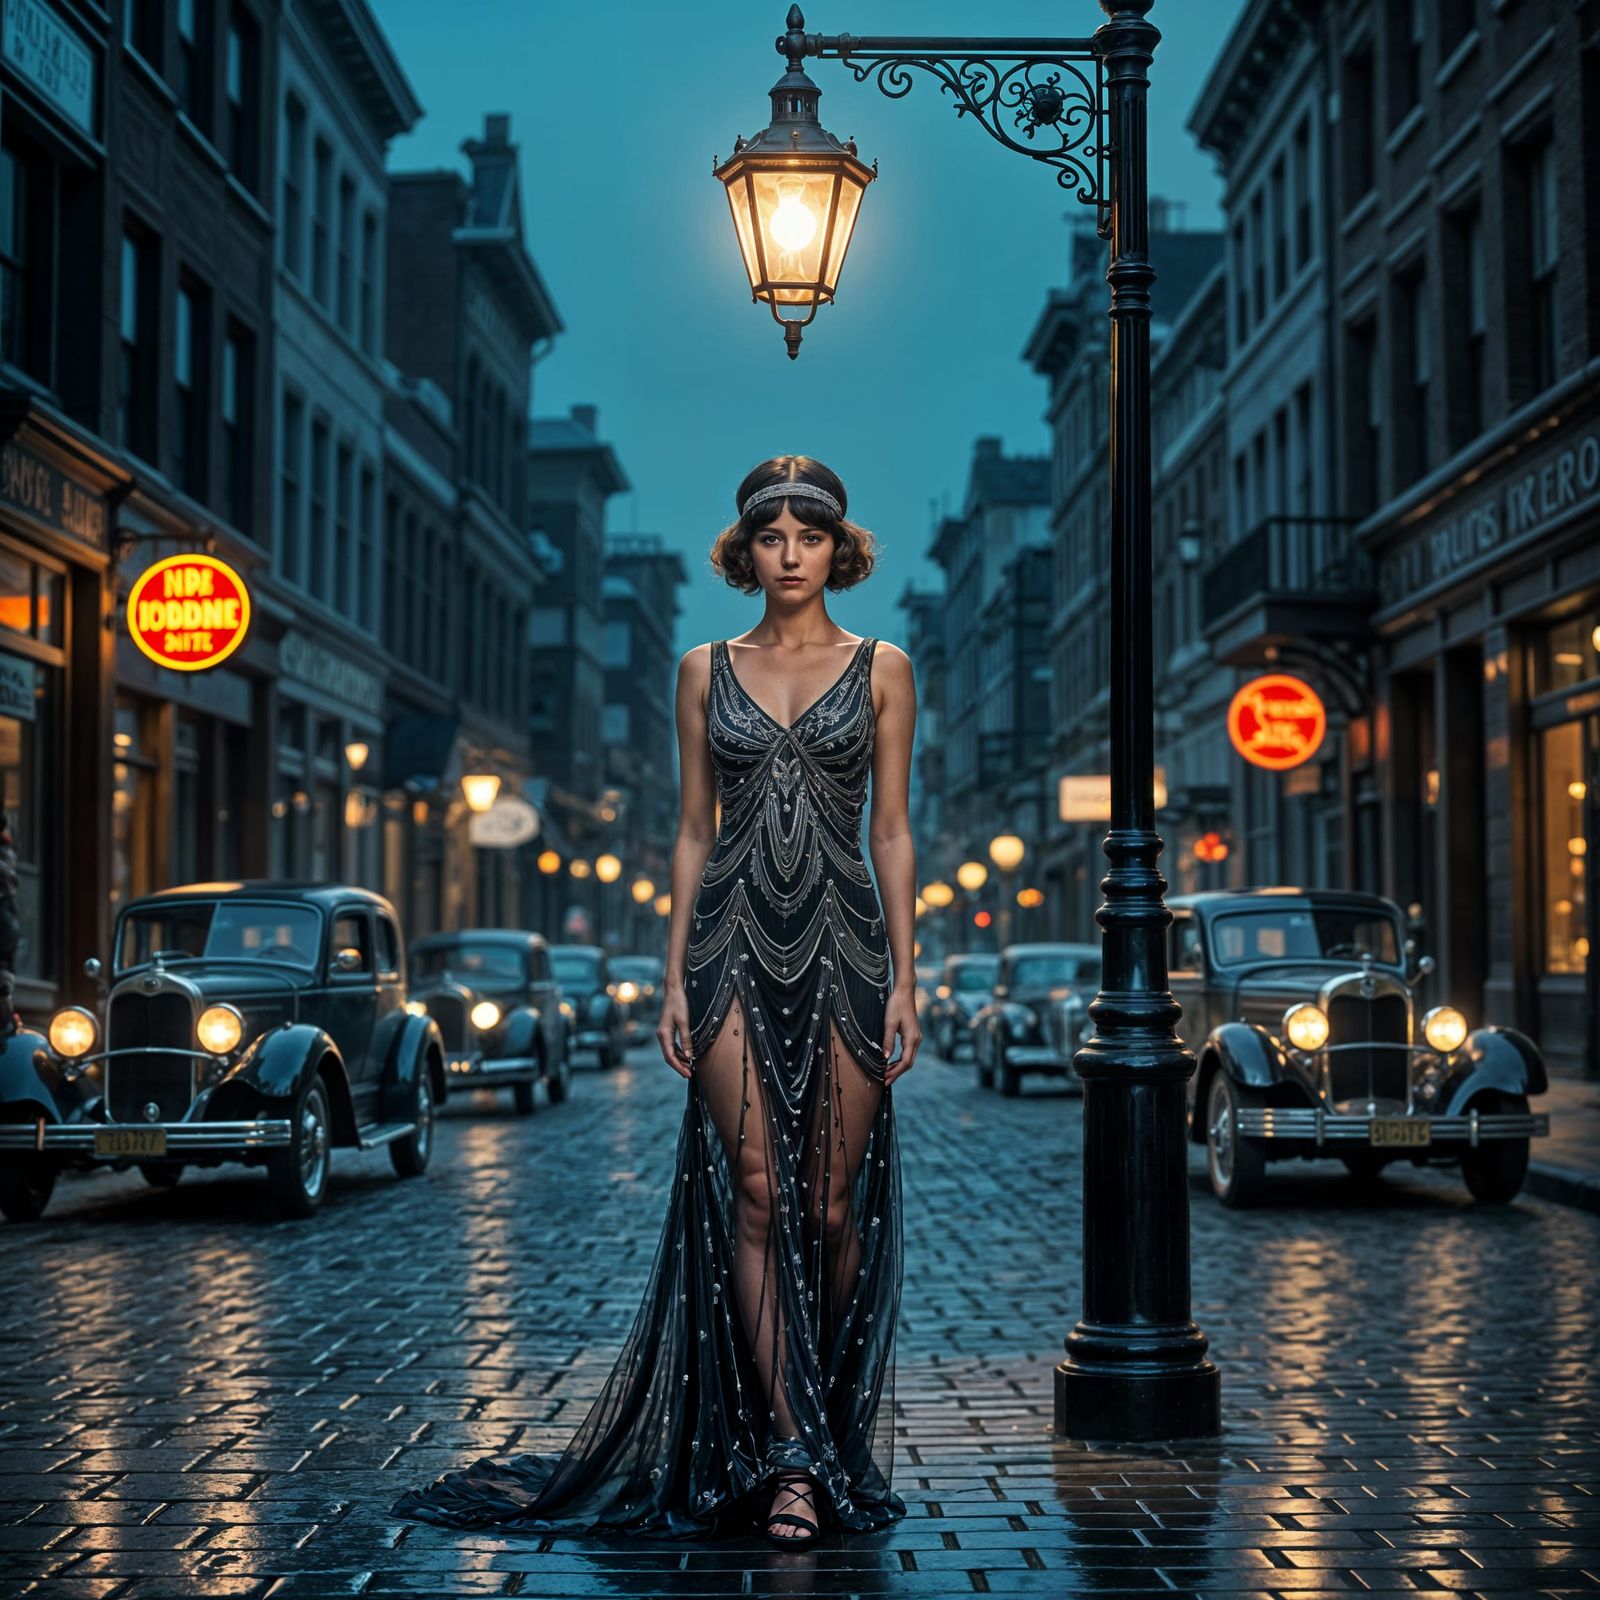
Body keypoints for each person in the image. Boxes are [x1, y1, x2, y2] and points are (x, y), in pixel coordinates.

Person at [392, 455, 921, 1544]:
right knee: (764, 1193)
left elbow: (894, 829)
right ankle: (791, 1455)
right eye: (769, 536)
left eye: (807, 536)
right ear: (743, 549)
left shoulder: (884, 666)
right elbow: (689, 827)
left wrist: (908, 971)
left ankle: (818, 1424)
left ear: (836, 548)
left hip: (847, 946)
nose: (787, 554)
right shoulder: (698, 668)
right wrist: (674, 972)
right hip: (728, 940)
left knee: (830, 1204)